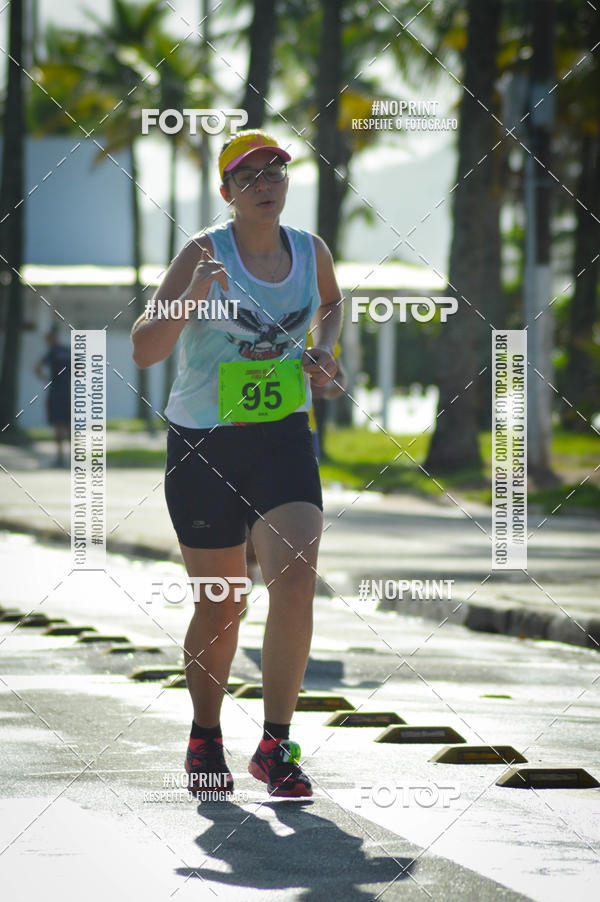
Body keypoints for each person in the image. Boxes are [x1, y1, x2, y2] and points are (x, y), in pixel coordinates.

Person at [131, 130, 343, 798]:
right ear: (226, 192)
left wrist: (325, 355)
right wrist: (191, 295)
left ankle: (277, 745)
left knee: (298, 574)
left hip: (281, 437)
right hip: (203, 446)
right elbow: (143, 349)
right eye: (248, 175)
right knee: (223, 605)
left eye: (275, 170)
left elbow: (332, 306)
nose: (265, 182)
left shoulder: (311, 252)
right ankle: (205, 735)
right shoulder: (203, 252)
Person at [34, 328, 71, 467]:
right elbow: (80, 369)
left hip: (56, 392)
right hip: (68, 392)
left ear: (50, 339)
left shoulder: (52, 352)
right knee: (68, 425)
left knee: (58, 424)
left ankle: (60, 458)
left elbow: (37, 367)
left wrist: (45, 379)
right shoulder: (68, 351)